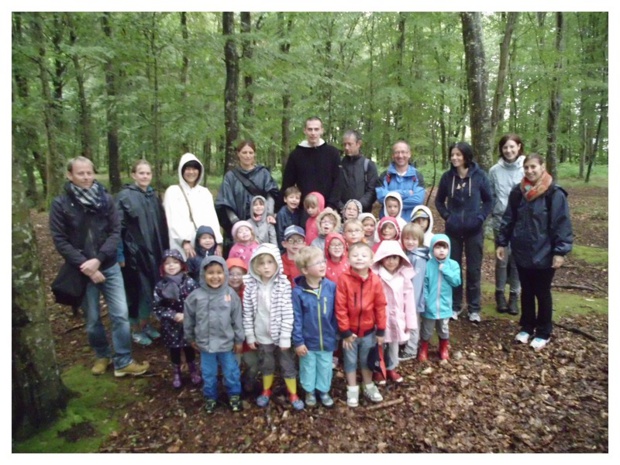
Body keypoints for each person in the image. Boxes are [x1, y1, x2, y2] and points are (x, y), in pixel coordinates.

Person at [49, 156, 149, 377]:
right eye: (80, 173)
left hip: (109, 265)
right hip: (81, 270)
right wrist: (85, 264)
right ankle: (102, 355)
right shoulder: (61, 204)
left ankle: (123, 359)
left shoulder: (105, 199)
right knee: (92, 318)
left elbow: (115, 231)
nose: (86, 177)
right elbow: (59, 239)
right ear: (70, 175)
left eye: (89, 173)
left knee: (121, 314)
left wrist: (100, 259)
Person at [496, 154, 573, 351]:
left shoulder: (554, 194)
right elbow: (508, 219)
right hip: (522, 251)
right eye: (526, 168)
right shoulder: (518, 192)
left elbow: (562, 224)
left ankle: (544, 331)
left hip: (545, 253)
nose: (529, 171)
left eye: (533, 167)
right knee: (527, 291)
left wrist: (560, 251)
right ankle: (527, 326)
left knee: (542, 291)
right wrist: (501, 243)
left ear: (542, 167)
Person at [435, 141, 492, 323]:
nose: (454, 158)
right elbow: (438, 201)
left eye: (458, 155)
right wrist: (447, 217)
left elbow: (489, 201)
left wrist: (480, 218)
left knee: (474, 270)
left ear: (466, 156)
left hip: (474, 231)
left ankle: (474, 308)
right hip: (453, 231)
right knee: (454, 269)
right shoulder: (447, 177)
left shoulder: (479, 176)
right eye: (452, 154)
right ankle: (455, 306)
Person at [242, 244, 304, 410]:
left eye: (270, 262)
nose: (266, 267)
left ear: (277, 263)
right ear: (255, 266)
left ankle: (293, 392)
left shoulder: (283, 285)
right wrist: (250, 335)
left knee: (287, 364)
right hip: (262, 335)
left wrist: (285, 337)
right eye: (262, 264)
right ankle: (266, 390)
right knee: (266, 363)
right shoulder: (251, 286)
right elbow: (247, 313)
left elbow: (288, 312)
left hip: (281, 335)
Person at [116, 159, 169, 346]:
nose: (145, 176)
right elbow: (117, 227)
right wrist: (120, 254)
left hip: (153, 252)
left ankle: (146, 324)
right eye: (141, 173)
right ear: (133, 175)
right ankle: (135, 329)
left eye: (148, 173)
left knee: (150, 289)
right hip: (134, 255)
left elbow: (160, 227)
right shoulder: (124, 197)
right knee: (135, 292)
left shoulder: (153, 197)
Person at [184, 256, 244, 413]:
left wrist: (239, 340)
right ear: (203, 274)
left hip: (226, 344)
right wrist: (190, 338)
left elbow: (237, 319)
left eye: (219, 272)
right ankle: (210, 396)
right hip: (205, 345)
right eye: (210, 272)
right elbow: (189, 319)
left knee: (231, 371)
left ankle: (234, 395)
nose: (215, 276)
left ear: (225, 273)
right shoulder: (196, 296)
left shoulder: (230, 295)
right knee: (208, 373)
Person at [335, 242, 387, 407]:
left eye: (364, 256)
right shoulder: (344, 279)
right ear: (348, 259)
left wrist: (381, 330)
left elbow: (380, 306)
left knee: (366, 360)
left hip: (369, 331)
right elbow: (340, 307)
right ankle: (352, 388)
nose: (359, 259)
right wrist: (345, 331)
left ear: (371, 260)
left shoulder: (375, 280)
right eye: (355, 255)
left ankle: (368, 385)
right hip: (350, 333)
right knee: (350, 361)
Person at [292, 246, 338, 408]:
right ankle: (309, 391)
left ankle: (323, 391)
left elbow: (335, 314)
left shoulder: (331, 287)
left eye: (323, 261)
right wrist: (298, 341)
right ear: (304, 270)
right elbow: (296, 318)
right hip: (307, 341)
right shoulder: (298, 292)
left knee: (325, 366)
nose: (322, 265)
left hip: (327, 339)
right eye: (317, 263)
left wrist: (335, 335)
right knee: (308, 367)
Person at [215, 140, 279, 249]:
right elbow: (225, 203)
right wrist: (238, 225)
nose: (247, 156)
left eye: (250, 152)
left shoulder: (263, 173)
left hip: (261, 224)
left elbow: (270, 195)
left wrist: (269, 214)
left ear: (254, 154)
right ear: (238, 154)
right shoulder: (230, 177)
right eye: (244, 152)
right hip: (239, 224)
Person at [153, 249, 200, 388]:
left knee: (189, 347)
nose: (171, 266)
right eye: (167, 263)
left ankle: (192, 369)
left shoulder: (190, 282)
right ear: (162, 266)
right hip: (170, 326)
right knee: (174, 350)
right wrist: (172, 315)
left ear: (182, 265)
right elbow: (157, 308)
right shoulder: (160, 286)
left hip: (188, 324)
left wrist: (189, 315)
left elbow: (198, 301)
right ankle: (176, 372)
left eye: (175, 262)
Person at [489, 134, 525, 315]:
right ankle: (499, 294)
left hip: (521, 222)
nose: (509, 150)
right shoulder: (495, 170)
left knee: (517, 260)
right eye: (505, 147)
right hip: (501, 220)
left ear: (519, 147)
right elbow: (492, 195)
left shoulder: (527, 167)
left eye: (512, 147)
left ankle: (514, 296)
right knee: (502, 259)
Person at [370, 240, 415, 384]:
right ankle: (379, 369)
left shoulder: (403, 277)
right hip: (380, 318)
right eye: (387, 257)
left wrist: (410, 321)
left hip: (397, 318)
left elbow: (409, 300)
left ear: (400, 259)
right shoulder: (375, 276)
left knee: (394, 345)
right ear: (381, 258)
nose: (391, 261)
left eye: (394, 258)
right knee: (379, 345)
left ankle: (391, 368)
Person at [164, 153, 223, 259]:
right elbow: (173, 219)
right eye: (188, 169)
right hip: (182, 245)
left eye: (195, 169)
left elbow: (212, 218)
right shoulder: (173, 192)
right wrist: (184, 241)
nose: (191, 172)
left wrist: (218, 242)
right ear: (182, 171)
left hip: (205, 244)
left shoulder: (204, 192)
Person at [281, 116, 341, 213]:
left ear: (322, 130)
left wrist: (331, 205)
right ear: (305, 131)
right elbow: (287, 185)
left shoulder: (332, 153)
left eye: (316, 129)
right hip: (304, 210)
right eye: (310, 129)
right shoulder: (296, 155)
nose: (313, 133)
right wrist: (279, 209)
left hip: (328, 210)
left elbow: (338, 182)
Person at [419, 235, 461, 362]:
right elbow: (424, 284)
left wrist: (445, 270)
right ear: (432, 249)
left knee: (443, 328)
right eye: (438, 247)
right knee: (427, 329)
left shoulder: (453, 265)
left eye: (444, 247)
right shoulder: (428, 265)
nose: (441, 250)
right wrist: (425, 300)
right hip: (430, 305)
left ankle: (443, 348)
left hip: (444, 305)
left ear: (449, 249)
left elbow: (456, 281)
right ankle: (423, 349)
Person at [226, 258, 260, 395]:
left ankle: (249, 381)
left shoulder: (250, 291)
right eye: (231, 274)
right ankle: (233, 388)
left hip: (248, 336)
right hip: (231, 338)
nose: (235, 278)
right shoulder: (222, 293)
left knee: (254, 363)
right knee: (233, 365)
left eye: (239, 274)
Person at [399, 223, 429, 361]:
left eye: (414, 239)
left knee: (413, 323)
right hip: (404, 296)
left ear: (420, 240)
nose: (410, 242)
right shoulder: (407, 254)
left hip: (414, 298)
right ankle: (404, 343)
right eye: (407, 238)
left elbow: (417, 283)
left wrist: (412, 302)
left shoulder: (419, 258)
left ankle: (411, 349)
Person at [376, 141, 426, 221]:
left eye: (403, 152)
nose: (400, 156)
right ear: (393, 155)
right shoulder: (384, 176)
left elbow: (418, 199)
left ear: (409, 154)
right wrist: (406, 193)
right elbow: (381, 197)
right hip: (388, 225)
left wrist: (392, 202)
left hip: (410, 225)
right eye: (397, 152)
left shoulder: (417, 176)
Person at [335, 129, 378, 214]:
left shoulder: (368, 165)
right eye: (344, 144)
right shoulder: (338, 165)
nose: (346, 148)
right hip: (341, 214)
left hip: (363, 215)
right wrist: (343, 208)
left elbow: (372, 191)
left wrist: (357, 207)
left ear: (358, 144)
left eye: (350, 144)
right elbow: (333, 189)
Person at [276, 186, 302, 254]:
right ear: (285, 199)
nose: (294, 200)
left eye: (297, 198)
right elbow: (280, 232)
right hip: (285, 245)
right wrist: (282, 248)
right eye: (291, 197)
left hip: (296, 243)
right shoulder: (281, 213)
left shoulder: (299, 212)